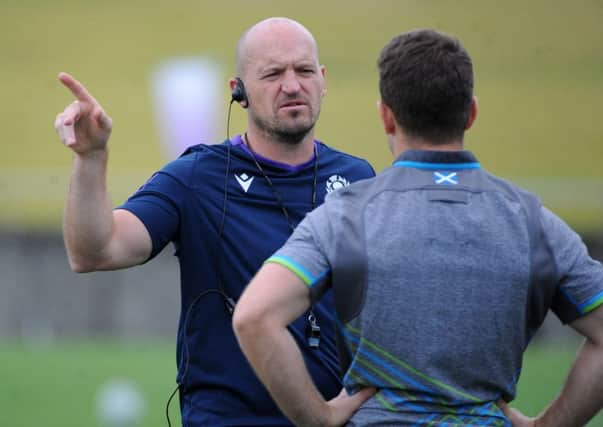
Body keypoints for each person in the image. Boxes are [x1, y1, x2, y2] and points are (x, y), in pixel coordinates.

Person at [233, 28, 603, 426]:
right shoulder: (533, 223)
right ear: (472, 113)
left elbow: (254, 317)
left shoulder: (346, 216)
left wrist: (318, 417)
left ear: (386, 116)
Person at [53, 17, 375, 426]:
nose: (292, 85)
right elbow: (95, 250)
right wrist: (91, 158)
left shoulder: (358, 179)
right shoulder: (197, 177)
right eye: (273, 73)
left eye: (304, 70)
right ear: (238, 91)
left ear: (323, 80)